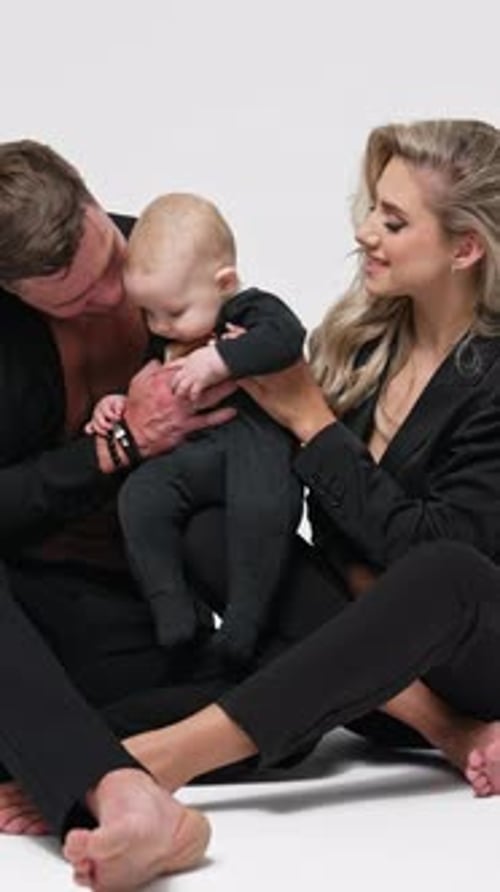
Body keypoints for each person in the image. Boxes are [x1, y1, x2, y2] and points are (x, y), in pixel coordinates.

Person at [1, 117, 500, 888]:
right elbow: (325, 520)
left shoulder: (175, 261)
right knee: (214, 541)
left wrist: (303, 417)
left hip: (455, 646)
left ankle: (134, 763)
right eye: (373, 208)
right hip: (344, 658)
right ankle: (83, 757)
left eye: (394, 220)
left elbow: (419, 547)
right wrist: (122, 440)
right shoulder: (362, 339)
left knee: (436, 578)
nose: (365, 232)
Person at [87, 192, 305, 666]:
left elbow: (287, 338)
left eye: (175, 312)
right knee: (140, 496)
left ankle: (245, 622)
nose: (161, 326)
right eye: (149, 314)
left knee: (260, 508)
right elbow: (151, 390)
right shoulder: (167, 337)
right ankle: (173, 608)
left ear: (223, 282)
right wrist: (118, 404)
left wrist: (220, 358)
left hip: (255, 447)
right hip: (196, 455)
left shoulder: (247, 311)